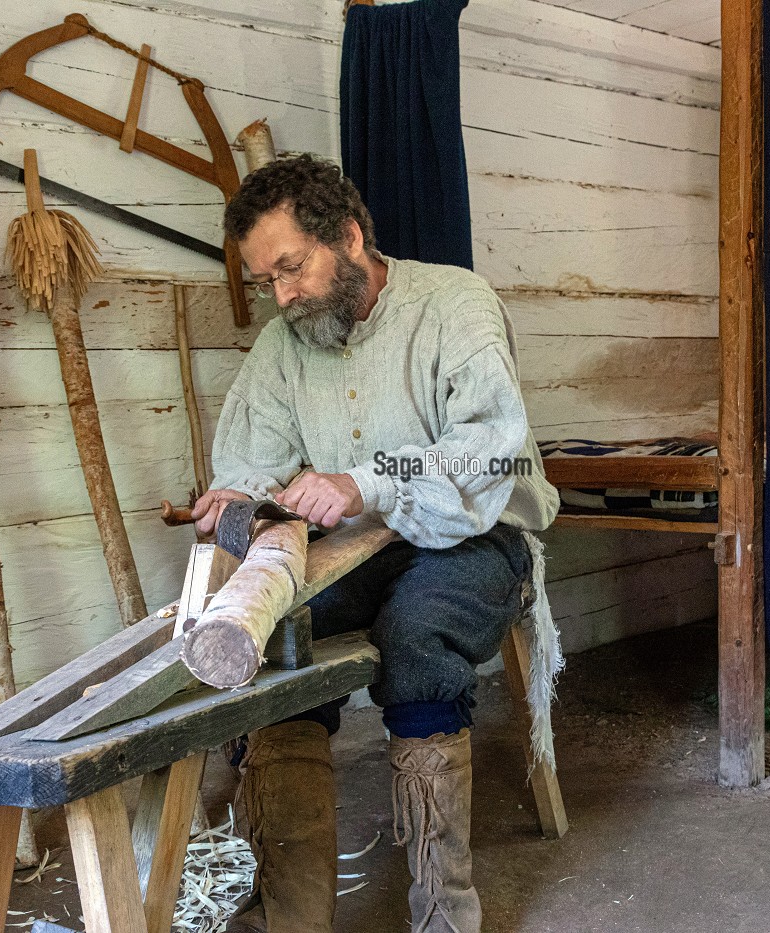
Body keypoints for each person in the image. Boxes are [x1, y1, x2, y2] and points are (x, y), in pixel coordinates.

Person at [190, 153, 559, 933]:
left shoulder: (455, 303)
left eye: (291, 268)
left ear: (351, 236)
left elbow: (491, 446)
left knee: (416, 632)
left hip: (477, 530)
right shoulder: (285, 344)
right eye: (267, 281)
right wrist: (238, 504)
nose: (283, 296)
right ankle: (293, 915)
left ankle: (445, 912)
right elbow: (250, 464)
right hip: (358, 546)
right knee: (284, 639)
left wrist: (367, 480)